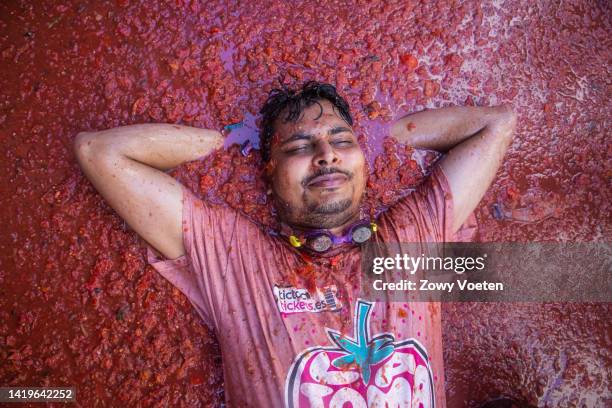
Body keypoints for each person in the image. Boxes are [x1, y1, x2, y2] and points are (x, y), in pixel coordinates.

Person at [74, 81, 516, 407]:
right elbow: (100, 152)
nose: (327, 154)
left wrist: (382, 136)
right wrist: (229, 142)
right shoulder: (235, 257)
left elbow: (496, 124)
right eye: (301, 147)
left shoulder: (410, 238)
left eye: (342, 141)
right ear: (269, 170)